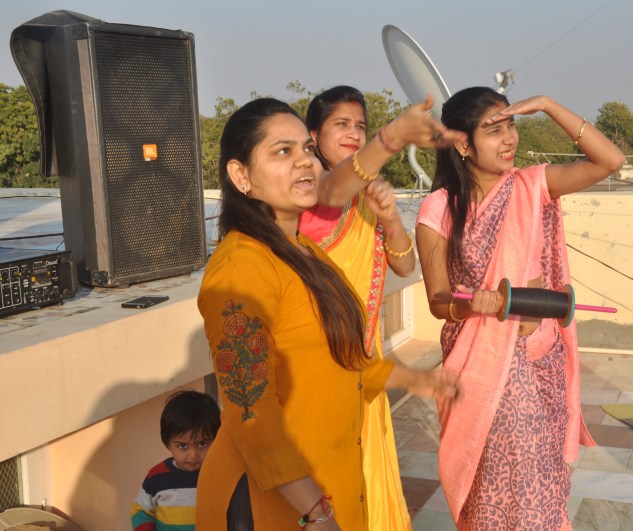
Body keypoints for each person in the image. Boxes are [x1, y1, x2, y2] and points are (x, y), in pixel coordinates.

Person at [195, 97, 463, 530]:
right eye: (282, 152)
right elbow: (249, 410)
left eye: (305, 148)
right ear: (241, 175)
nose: (303, 162)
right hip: (277, 503)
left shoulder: (304, 251)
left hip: (328, 483)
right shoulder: (241, 267)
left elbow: (337, 362)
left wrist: (414, 379)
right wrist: (315, 512)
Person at [415, 87, 625, 530]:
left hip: (538, 359)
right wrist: (474, 304)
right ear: (463, 144)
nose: (508, 139)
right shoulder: (439, 208)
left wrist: (549, 105)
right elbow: (438, 300)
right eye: (493, 129)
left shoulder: (532, 186)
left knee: (542, 479)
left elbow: (610, 161)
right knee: (496, 483)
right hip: (480, 368)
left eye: (510, 125)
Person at [298, 86, 414, 530]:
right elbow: (333, 191)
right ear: (315, 135)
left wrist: (390, 220)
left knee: (368, 469)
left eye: (360, 126)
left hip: (365, 358)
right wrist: (391, 137)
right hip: (319, 360)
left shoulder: (367, 191)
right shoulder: (311, 190)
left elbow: (404, 265)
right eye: (340, 124)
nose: (352, 133)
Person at [131, 389, 221, 531]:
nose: (193, 455)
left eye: (202, 444)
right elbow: (141, 511)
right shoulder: (157, 476)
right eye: (183, 445)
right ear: (168, 444)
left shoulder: (221, 474)